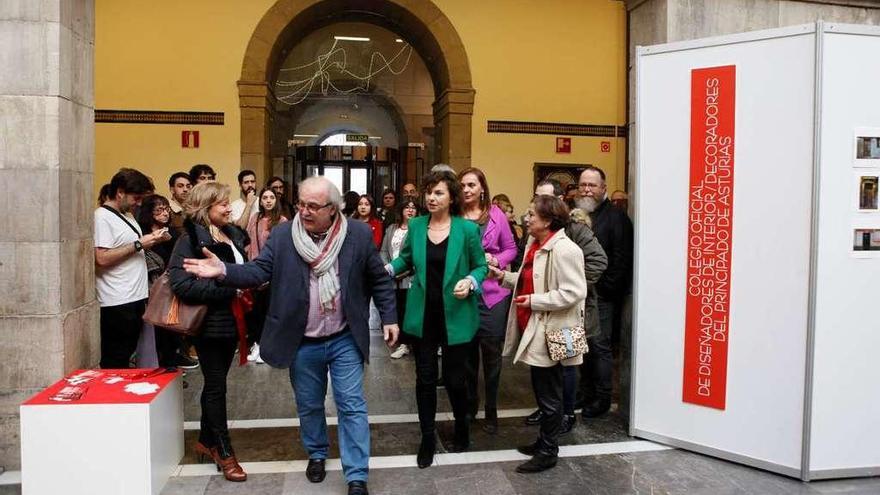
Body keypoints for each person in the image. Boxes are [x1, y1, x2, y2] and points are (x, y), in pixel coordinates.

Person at [182, 176, 398, 495]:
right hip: (302, 339)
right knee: (309, 404)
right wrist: (224, 271)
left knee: (352, 404)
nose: (305, 211)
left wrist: (389, 317)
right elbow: (258, 271)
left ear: (333, 208)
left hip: (344, 337)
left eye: (313, 206)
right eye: (301, 204)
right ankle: (317, 452)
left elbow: (378, 279)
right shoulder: (284, 235)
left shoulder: (358, 234)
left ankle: (356, 475)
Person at [387, 170, 488, 469]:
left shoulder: (466, 230)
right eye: (428, 192)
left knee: (457, 380)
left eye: (438, 193)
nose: (431, 197)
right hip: (424, 316)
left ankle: (461, 426)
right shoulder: (416, 226)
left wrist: (471, 280)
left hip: (457, 316)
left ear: (452, 197)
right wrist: (388, 270)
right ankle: (427, 436)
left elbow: (481, 266)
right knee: (425, 379)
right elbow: (405, 259)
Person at [490, 195, 587, 474]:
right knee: (544, 389)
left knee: (550, 393)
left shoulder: (566, 250)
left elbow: (573, 292)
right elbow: (528, 281)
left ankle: (548, 450)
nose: (526, 218)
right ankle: (545, 441)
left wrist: (535, 301)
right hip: (536, 325)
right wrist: (502, 277)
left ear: (548, 220)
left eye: (532, 214)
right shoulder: (535, 244)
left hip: (554, 329)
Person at [168, 182, 251, 482]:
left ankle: (206, 439)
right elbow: (181, 284)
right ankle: (224, 451)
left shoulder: (231, 235)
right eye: (223, 204)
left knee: (216, 384)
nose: (230, 208)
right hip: (210, 325)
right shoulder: (189, 239)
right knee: (217, 386)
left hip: (233, 323)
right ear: (205, 208)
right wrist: (228, 288)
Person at [523, 179, 607, 434]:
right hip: (546, 311)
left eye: (544, 198)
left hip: (568, 315)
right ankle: (550, 412)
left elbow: (598, 262)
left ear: (557, 203)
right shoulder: (534, 237)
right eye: (536, 197)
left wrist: (573, 284)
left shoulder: (573, 232)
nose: (537, 204)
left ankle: (566, 413)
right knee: (546, 370)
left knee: (567, 364)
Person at [458, 167, 517, 434]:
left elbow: (511, 248)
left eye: (472, 185)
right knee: (467, 355)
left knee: (492, 355)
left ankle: (491, 409)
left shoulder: (496, 215)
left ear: (482, 188)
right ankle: (471, 404)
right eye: (463, 185)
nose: (467, 189)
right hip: (464, 293)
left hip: (493, 293)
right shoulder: (454, 216)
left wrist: (498, 260)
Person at [94, 168, 168, 369]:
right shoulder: (101, 217)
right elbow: (101, 257)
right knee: (116, 359)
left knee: (128, 356)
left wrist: (152, 241)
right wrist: (139, 245)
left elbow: (131, 248)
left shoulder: (127, 215)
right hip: (117, 300)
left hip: (135, 296)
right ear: (120, 192)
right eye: (136, 197)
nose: (139, 203)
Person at [576, 166, 633, 418]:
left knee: (600, 347)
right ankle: (585, 393)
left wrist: (604, 290)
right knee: (584, 346)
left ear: (603, 188)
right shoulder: (577, 215)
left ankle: (602, 398)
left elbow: (621, 260)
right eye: (583, 185)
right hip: (580, 295)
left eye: (592, 185)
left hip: (603, 297)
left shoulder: (616, 217)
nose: (587, 189)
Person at [135, 194, 198, 370]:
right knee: (156, 334)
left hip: (173, 288)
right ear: (149, 213)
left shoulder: (174, 232)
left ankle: (172, 368)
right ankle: (161, 369)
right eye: (159, 210)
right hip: (152, 290)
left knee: (172, 332)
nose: (165, 213)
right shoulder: (143, 234)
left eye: (166, 209)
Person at [243, 187, 289, 363]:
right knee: (255, 311)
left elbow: (284, 249)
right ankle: (257, 344)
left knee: (272, 310)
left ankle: (269, 347)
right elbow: (249, 244)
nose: (268, 200)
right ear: (260, 201)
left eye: (271, 197)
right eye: (264, 198)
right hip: (255, 270)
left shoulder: (282, 221)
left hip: (275, 273)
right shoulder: (255, 219)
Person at [380, 198, 419, 359]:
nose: (410, 210)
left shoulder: (417, 229)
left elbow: (415, 255)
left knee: (410, 310)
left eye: (413, 208)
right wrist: (388, 268)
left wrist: (403, 271)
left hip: (409, 276)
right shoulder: (391, 228)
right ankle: (402, 343)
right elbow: (383, 250)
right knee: (397, 310)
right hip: (391, 276)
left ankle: (411, 343)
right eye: (407, 207)